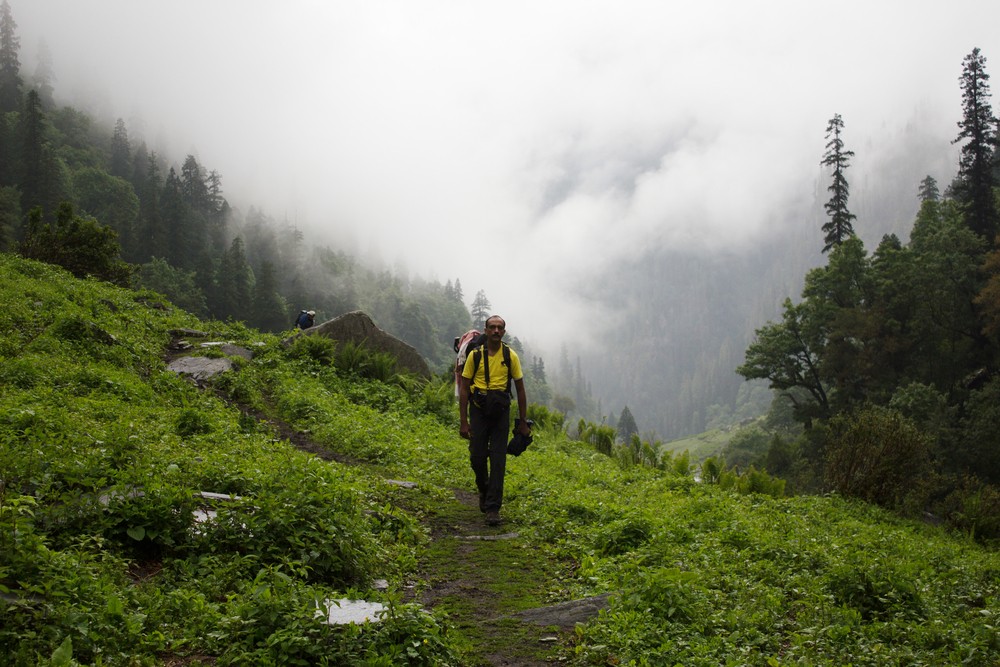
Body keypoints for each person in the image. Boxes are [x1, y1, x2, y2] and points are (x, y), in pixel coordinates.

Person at [459, 315, 531, 526]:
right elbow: (464, 389)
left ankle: (493, 509)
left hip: (501, 413)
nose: (496, 331)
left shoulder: (510, 356)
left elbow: (520, 389)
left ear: (504, 332)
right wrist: (464, 421)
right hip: (479, 411)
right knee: (477, 457)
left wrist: (523, 421)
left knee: (498, 460)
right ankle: (483, 488)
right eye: (492, 327)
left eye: (500, 328)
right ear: (486, 330)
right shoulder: (475, 356)